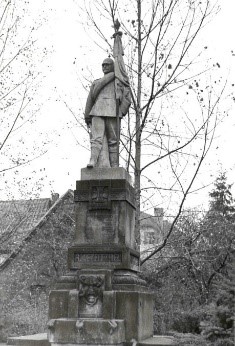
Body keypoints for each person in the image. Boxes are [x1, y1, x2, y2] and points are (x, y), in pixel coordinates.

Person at [84, 57, 130, 168]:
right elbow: (90, 100)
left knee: (113, 141)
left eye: (107, 65)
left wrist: (121, 111)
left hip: (113, 112)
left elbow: (127, 98)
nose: (104, 67)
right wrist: (87, 116)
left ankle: (114, 165)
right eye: (103, 65)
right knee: (96, 139)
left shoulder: (119, 82)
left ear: (113, 66)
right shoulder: (96, 83)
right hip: (97, 111)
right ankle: (93, 161)